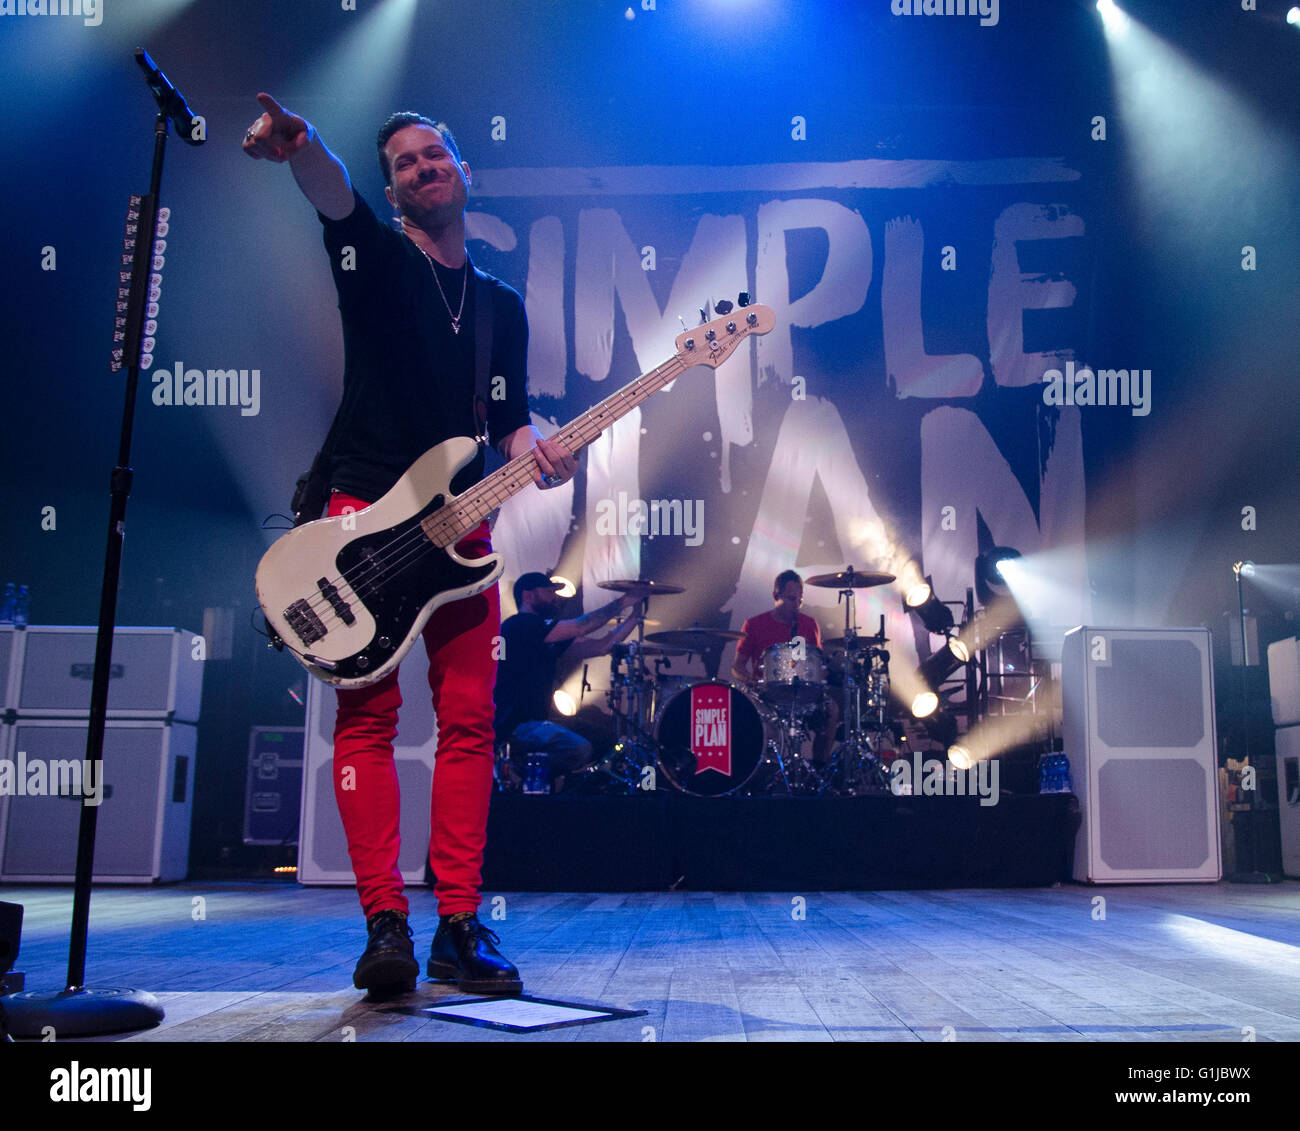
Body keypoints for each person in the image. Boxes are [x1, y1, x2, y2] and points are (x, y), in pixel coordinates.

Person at [242, 93, 577, 997]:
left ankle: (460, 924)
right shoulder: (379, 260)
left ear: (464, 172)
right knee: (370, 718)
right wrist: (303, 145)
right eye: (406, 164)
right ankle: (385, 922)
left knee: (470, 718)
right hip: (360, 510)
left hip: (462, 528)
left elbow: (504, 420)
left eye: (437, 156)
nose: (425, 169)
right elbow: (331, 197)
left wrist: (538, 449)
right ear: (394, 191)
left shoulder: (502, 306)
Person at [495, 574, 645, 787]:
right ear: (528, 595)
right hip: (516, 726)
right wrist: (623, 602)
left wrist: (634, 618)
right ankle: (523, 773)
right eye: (548, 592)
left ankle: (543, 782)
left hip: (537, 722)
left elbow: (601, 647)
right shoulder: (521, 625)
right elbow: (581, 626)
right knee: (579, 749)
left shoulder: (541, 634)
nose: (555, 598)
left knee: (606, 739)